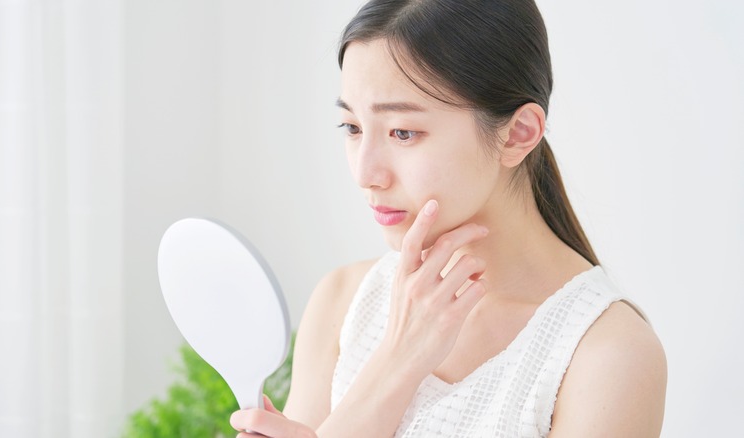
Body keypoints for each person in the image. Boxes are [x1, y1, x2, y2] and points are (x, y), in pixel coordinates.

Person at [230, 0, 667, 436]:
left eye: (403, 132)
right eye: (353, 127)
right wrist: (395, 361)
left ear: (518, 134)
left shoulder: (605, 353)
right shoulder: (342, 301)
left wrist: (397, 363)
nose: (365, 174)